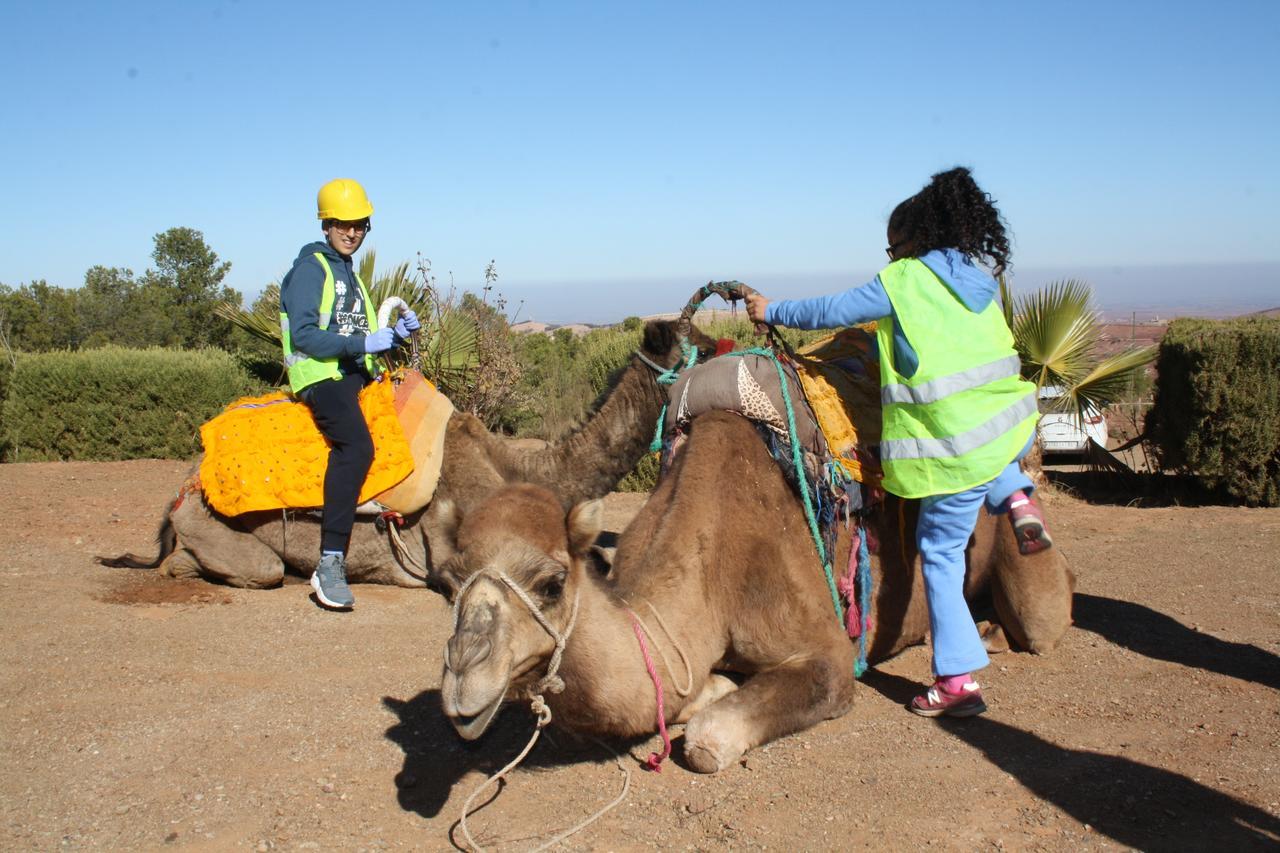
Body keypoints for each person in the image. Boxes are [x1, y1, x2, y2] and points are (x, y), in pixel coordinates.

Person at [745, 166, 1052, 717]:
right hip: (1006, 425)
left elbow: (831, 312)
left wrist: (772, 311)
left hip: (955, 446)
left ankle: (957, 683)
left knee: (939, 555)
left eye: (893, 250)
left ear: (913, 243)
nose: (890, 261)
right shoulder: (978, 273)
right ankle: (1018, 498)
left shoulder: (906, 282)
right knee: (993, 457)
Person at [279, 178, 420, 610]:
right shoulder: (310, 270)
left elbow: (358, 338)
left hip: (350, 373)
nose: (353, 232)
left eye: (360, 224)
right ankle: (331, 560)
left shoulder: (351, 276)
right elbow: (304, 337)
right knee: (355, 446)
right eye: (344, 223)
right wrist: (363, 345)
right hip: (319, 378)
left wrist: (392, 338)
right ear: (326, 224)